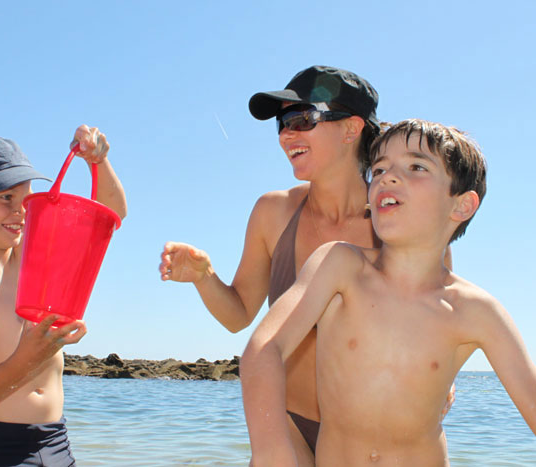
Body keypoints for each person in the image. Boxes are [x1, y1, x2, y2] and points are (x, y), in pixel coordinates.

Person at [160, 66, 454, 462]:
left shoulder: (402, 220)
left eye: (301, 119)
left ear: (351, 129)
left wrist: (444, 379)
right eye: (282, 123)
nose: (286, 135)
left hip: (372, 438)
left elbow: (441, 323)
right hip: (287, 426)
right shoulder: (273, 212)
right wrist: (203, 277)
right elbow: (239, 315)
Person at [240, 119, 536, 465]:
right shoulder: (339, 266)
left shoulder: (476, 311)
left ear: (462, 206)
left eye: (415, 166)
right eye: (379, 169)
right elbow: (265, 348)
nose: (387, 177)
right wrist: (272, 450)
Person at [0, 126, 127, 466]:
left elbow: (111, 218)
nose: (20, 210)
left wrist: (97, 162)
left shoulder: (38, 253)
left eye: (26, 197)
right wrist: (31, 355)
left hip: (55, 438)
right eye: (5, 197)